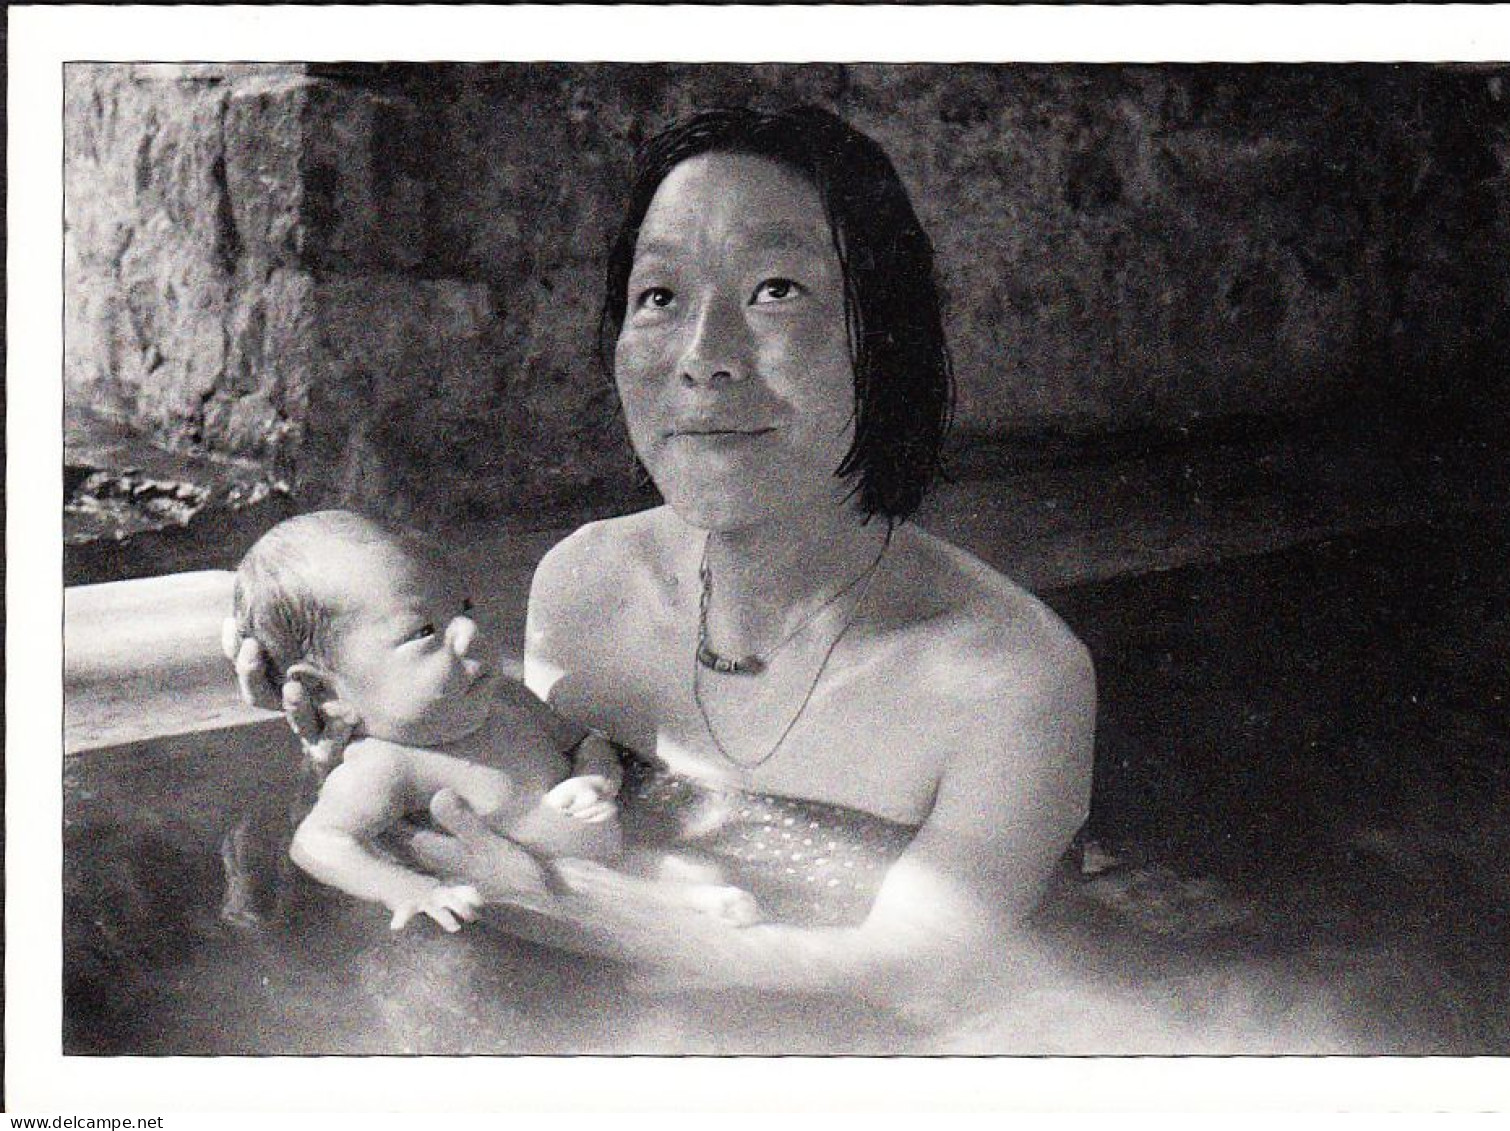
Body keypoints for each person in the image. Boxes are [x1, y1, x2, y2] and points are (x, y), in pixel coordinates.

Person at [229, 105, 1095, 999]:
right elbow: (470, 783)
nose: (701, 356)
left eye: (774, 289)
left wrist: (582, 903)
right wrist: (341, 723)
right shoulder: (586, 583)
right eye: (659, 296)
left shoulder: (1014, 680)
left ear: (885, 337)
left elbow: (913, 989)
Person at [229, 509, 760, 933]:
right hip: (550, 900)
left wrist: (595, 778)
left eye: (464, 607)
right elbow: (317, 844)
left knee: (705, 877)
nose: (470, 632)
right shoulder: (387, 767)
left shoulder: (506, 701)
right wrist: (407, 890)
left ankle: (693, 908)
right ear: (327, 692)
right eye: (422, 632)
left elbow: (585, 741)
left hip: (609, 858)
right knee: (689, 906)